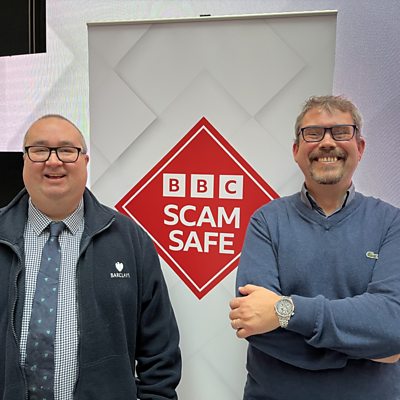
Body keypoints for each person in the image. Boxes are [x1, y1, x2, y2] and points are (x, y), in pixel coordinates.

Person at [229, 95, 400, 400]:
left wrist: (284, 311)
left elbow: (391, 325)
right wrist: (367, 347)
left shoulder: (391, 223)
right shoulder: (266, 221)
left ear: (360, 147)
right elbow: (254, 323)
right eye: (313, 133)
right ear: (296, 150)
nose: (327, 142)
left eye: (341, 132)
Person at [0, 115, 181, 400]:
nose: (53, 161)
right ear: (24, 160)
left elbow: (160, 351)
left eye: (66, 150)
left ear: (85, 161)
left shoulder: (130, 241)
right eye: (39, 150)